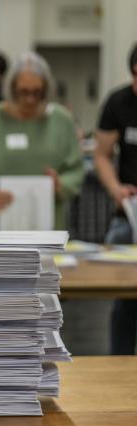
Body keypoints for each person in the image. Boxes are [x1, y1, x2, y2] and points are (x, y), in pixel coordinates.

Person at [0, 51, 85, 230]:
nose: (30, 99)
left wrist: (61, 185)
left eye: (37, 92)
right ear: (11, 89)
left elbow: (76, 170)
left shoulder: (62, 120)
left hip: (46, 225)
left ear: (46, 90)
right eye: (23, 92)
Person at [94, 44, 137, 355]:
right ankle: (118, 365)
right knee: (125, 299)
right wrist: (116, 188)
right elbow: (102, 155)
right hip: (128, 215)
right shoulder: (119, 102)